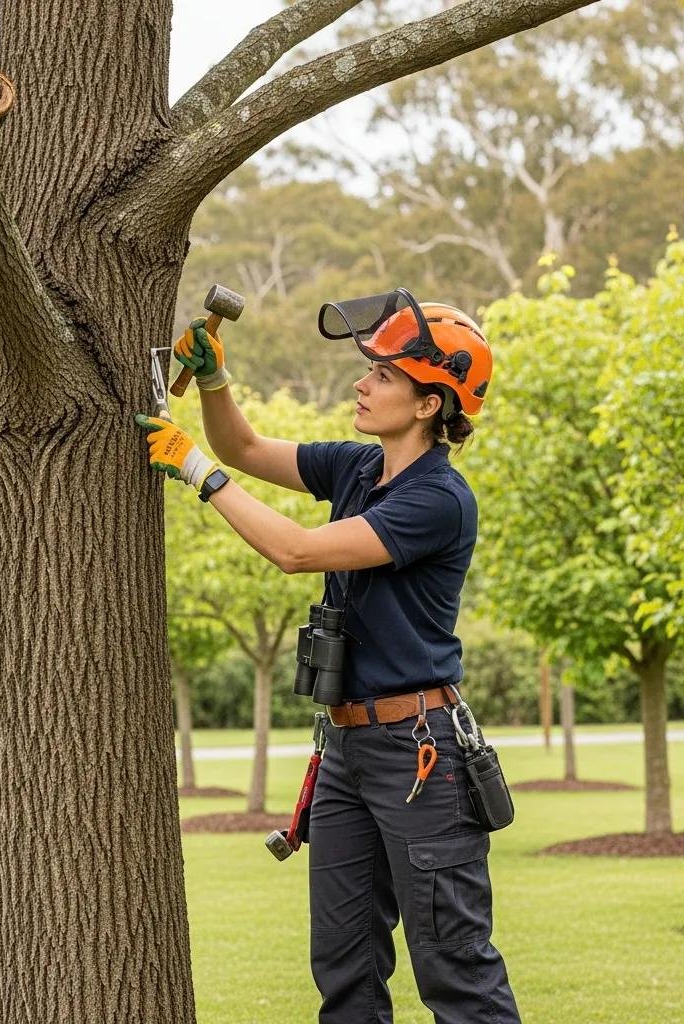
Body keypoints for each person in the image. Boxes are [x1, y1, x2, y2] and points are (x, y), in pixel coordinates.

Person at [135, 289, 520, 1024]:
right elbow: (244, 449)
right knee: (343, 968)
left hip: (420, 756)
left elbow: (297, 551)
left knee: (456, 972)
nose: (361, 382)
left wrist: (197, 476)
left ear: (428, 405)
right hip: (346, 748)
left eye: (382, 375)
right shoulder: (355, 469)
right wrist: (214, 383)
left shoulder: (439, 498)